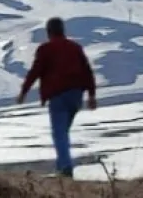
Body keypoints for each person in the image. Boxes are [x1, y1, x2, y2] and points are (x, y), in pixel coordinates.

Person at [15, 17, 97, 178]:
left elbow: (35, 72)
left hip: (58, 95)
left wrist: (23, 92)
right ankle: (62, 166)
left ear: (48, 32)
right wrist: (91, 95)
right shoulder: (75, 48)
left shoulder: (46, 49)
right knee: (63, 132)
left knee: (59, 133)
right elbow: (88, 72)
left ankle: (65, 169)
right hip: (76, 95)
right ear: (63, 30)